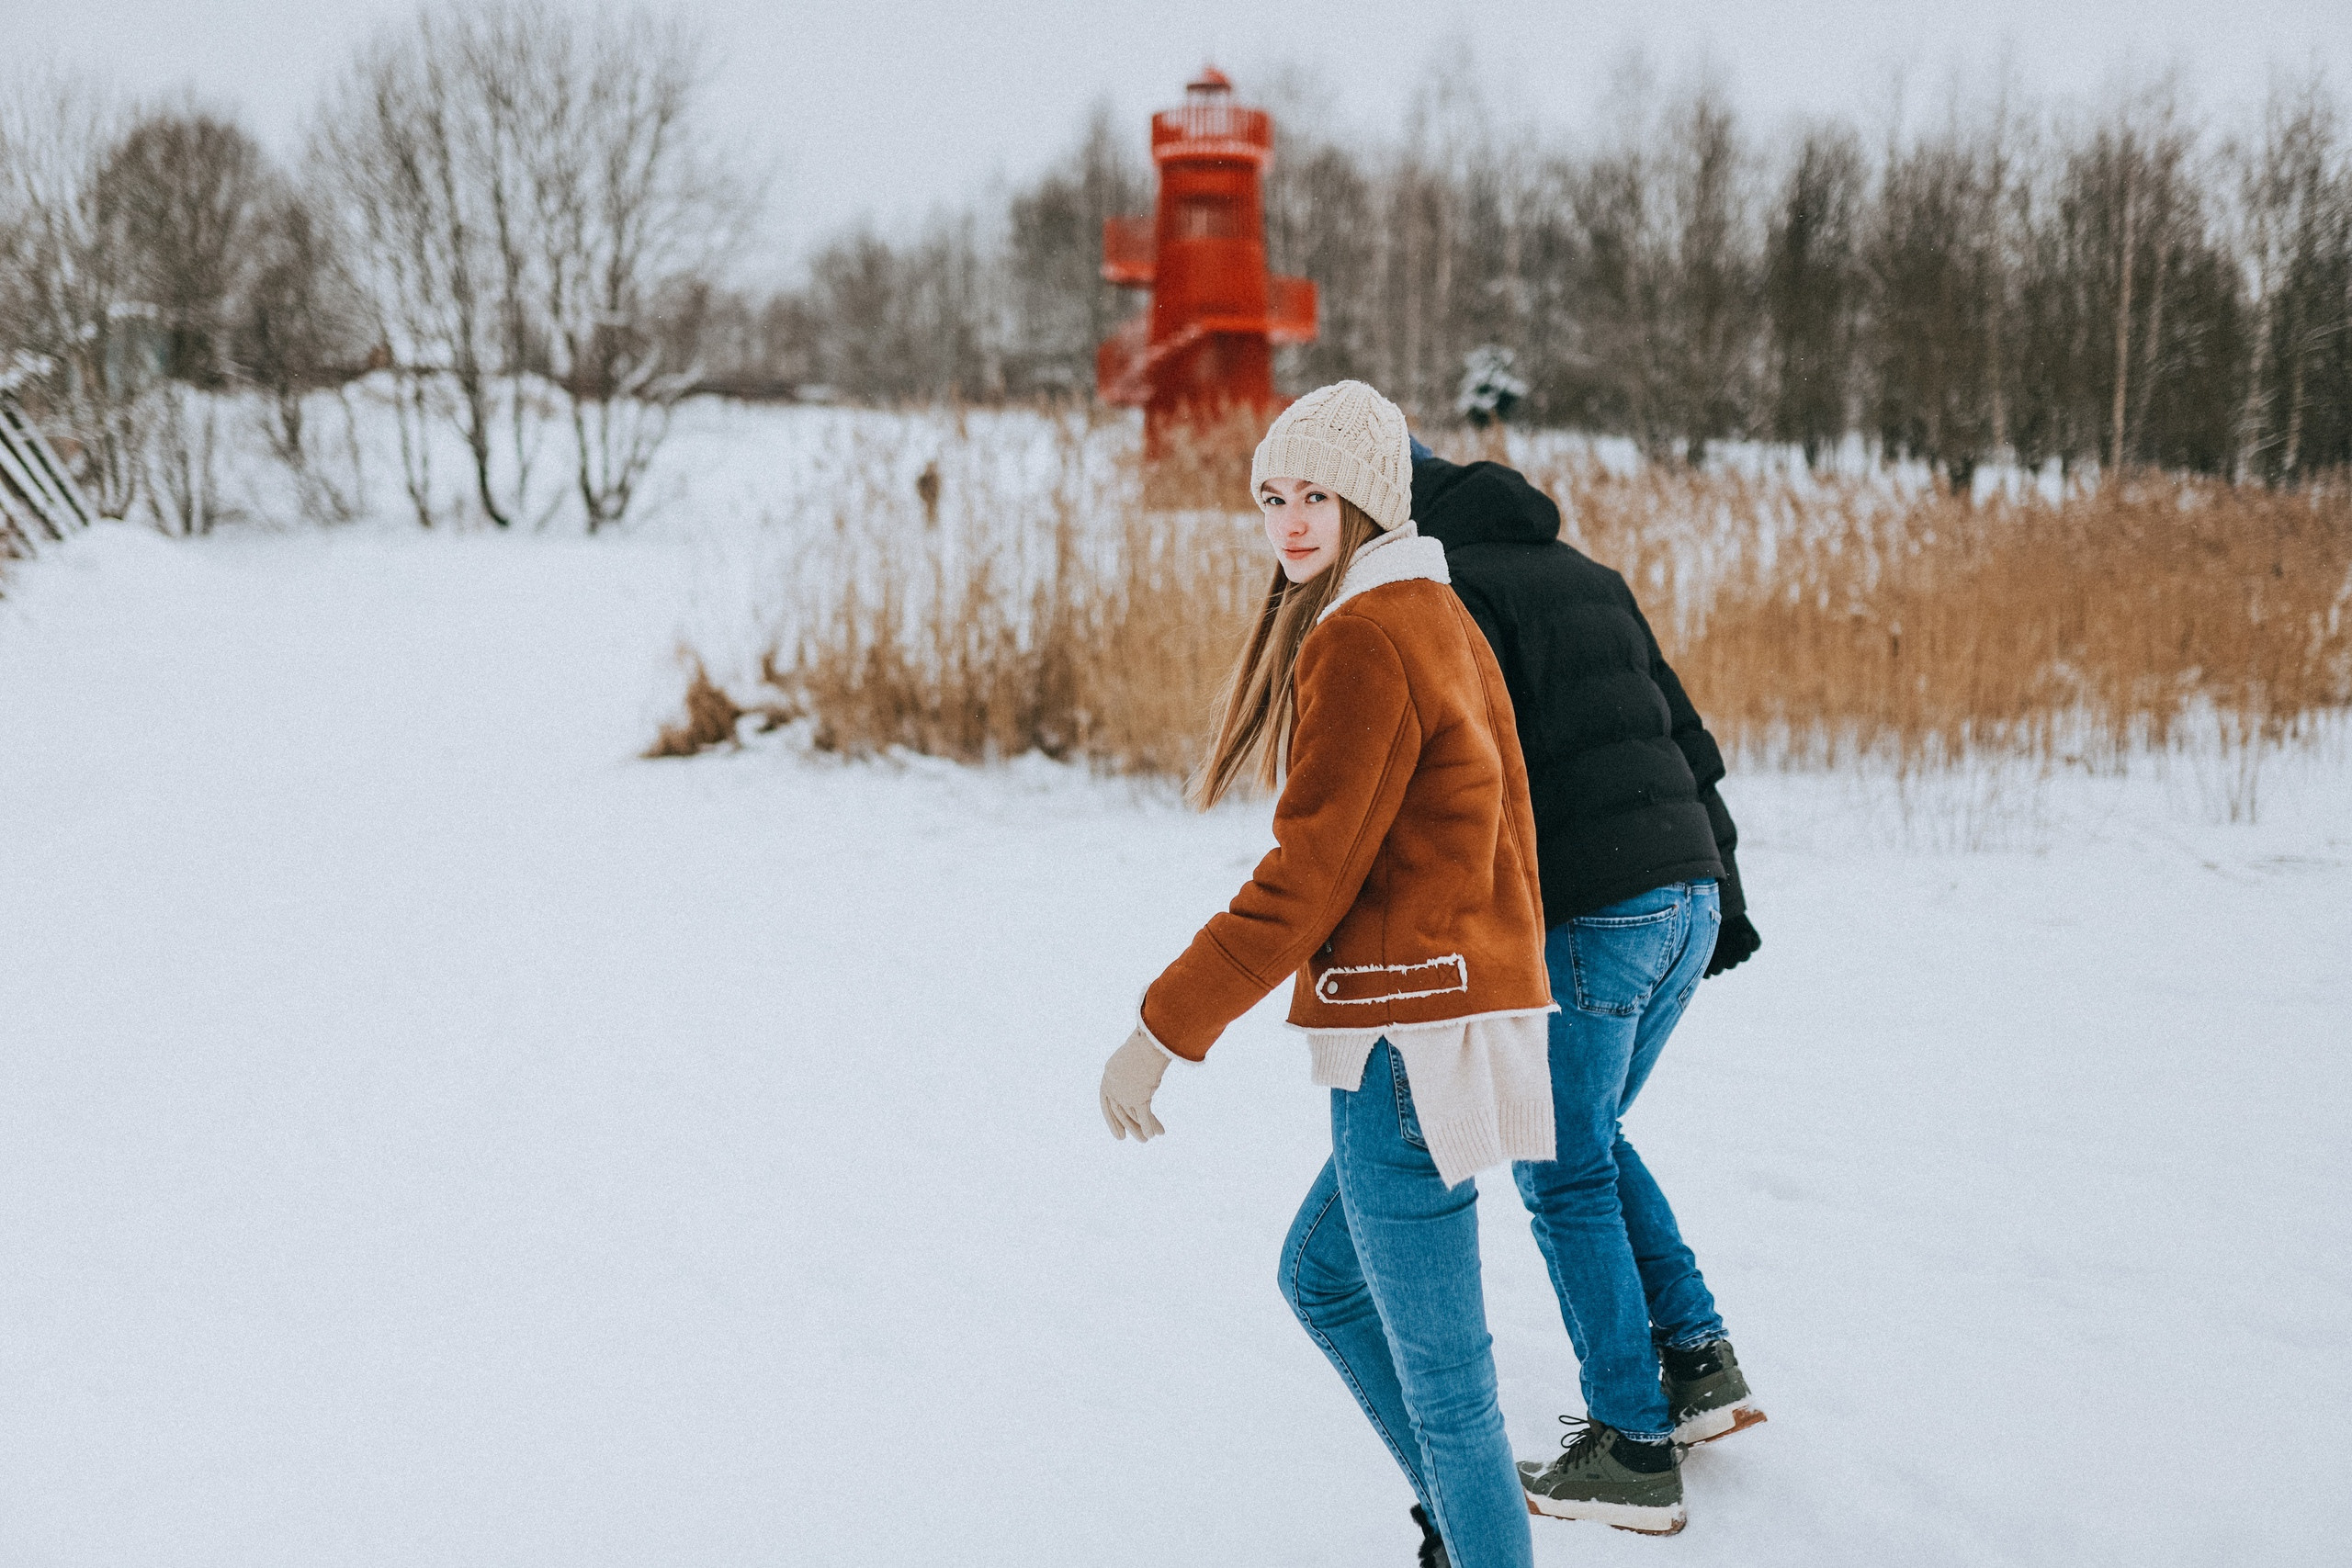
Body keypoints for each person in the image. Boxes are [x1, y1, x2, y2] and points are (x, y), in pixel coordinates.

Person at [1099, 382, 1557, 1568]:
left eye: (1317, 495)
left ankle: (1474, 1525)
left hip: (1409, 1041)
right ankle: (1465, 1520)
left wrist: (1164, 1025)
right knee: (1320, 1272)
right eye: (1272, 496)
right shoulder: (1434, 611)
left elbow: (1307, 878)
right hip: (1441, 1023)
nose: (1292, 521)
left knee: (1455, 1399)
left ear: (1369, 500)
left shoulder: (1363, 634)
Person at [1405, 438, 1767, 1538]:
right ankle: (1696, 1365)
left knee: (1562, 1170)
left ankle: (1630, 1445)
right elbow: (1689, 748)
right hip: (1683, 892)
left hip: (1595, 912)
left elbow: (1473, 780)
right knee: (1589, 1136)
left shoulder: (1450, 588)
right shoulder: (1592, 578)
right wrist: (1726, 899)